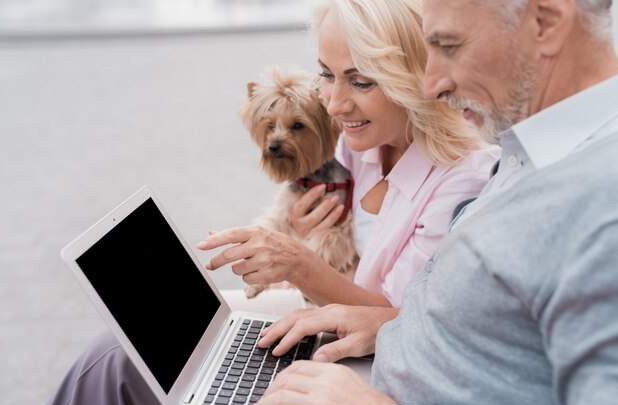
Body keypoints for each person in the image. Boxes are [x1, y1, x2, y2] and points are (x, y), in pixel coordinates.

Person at [246, 0, 618, 405]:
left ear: (545, 22)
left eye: (449, 45)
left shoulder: (602, 204)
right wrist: (388, 325)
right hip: (357, 368)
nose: (430, 85)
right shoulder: (527, 152)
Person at [199, 0, 499, 311]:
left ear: (413, 78)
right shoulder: (358, 142)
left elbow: (399, 318)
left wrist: (300, 264)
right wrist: (299, 233)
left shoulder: (465, 181)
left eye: (361, 82)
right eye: (326, 75)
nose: (333, 106)